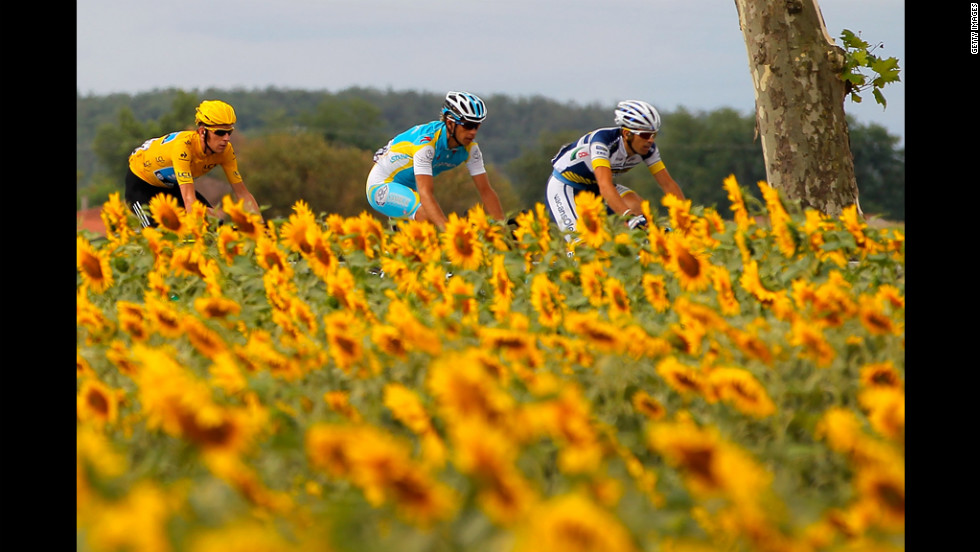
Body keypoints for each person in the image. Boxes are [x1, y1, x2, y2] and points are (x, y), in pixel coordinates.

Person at [366, 91, 505, 232]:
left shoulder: (471, 149)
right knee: (428, 218)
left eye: (477, 126)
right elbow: (426, 193)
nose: (473, 132)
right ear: (450, 123)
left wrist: (502, 229)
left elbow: (486, 191)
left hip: (410, 191)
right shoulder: (427, 145)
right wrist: (450, 233)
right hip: (383, 185)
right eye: (468, 125)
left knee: (418, 244)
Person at [544, 99, 686, 234]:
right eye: (645, 135)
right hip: (566, 186)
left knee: (642, 213)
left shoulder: (649, 149)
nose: (650, 140)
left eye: (654, 134)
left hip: (595, 187)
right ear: (627, 133)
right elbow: (605, 185)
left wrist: (684, 218)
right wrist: (629, 218)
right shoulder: (603, 141)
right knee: (580, 246)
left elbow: (667, 184)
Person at [125, 99, 262, 228]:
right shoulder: (184, 148)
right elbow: (189, 199)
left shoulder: (226, 152)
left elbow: (243, 194)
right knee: (156, 236)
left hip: (171, 186)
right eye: (220, 133)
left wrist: (260, 227)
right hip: (141, 184)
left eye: (229, 132)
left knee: (214, 223)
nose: (226, 139)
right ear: (202, 131)